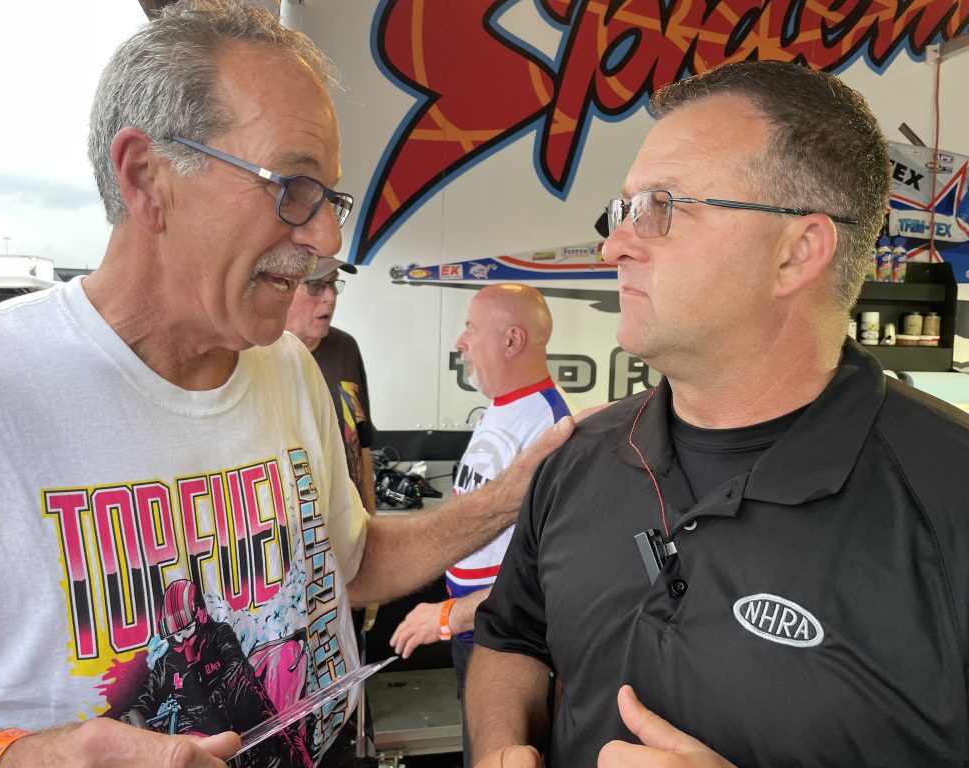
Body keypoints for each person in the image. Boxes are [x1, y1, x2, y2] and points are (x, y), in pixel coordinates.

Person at [0, 3, 577, 767]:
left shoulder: (284, 365)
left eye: (328, 199)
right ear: (147, 179)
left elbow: (351, 562)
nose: (326, 240)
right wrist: (27, 757)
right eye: (293, 188)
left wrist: (517, 493)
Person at [466, 60, 969, 768]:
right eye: (622, 211)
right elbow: (511, 638)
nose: (614, 245)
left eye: (660, 208)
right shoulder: (578, 459)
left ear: (797, 253)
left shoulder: (950, 497)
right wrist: (500, 746)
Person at [389, 284, 573, 767]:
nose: (460, 342)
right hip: (474, 635)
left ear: (512, 341)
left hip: (505, 650)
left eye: (471, 328)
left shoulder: (549, 430)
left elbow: (549, 584)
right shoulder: (504, 409)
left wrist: (449, 616)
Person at [285, 256, 375, 517]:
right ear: (283, 287)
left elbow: (362, 442)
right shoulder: (257, 355)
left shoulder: (345, 348)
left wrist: (370, 518)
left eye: (333, 284)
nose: (330, 297)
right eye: (316, 285)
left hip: (349, 526)